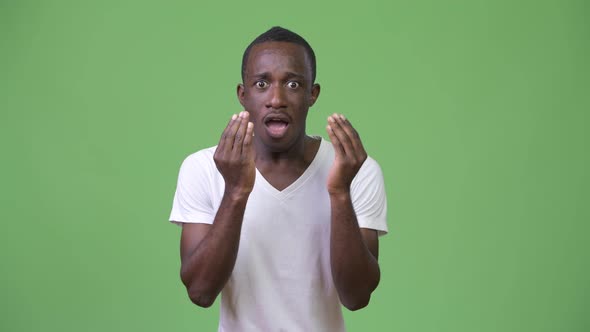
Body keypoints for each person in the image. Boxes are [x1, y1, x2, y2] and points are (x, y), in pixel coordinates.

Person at [169, 26, 388, 331]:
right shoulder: (203, 167)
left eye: (293, 84)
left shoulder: (355, 170)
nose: (276, 99)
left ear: (312, 94)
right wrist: (235, 191)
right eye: (261, 83)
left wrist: (340, 193)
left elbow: (357, 296)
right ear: (243, 95)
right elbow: (200, 291)